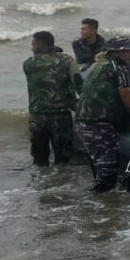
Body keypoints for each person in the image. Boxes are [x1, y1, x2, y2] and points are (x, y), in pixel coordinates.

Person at [75, 36, 130, 192]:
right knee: (107, 174)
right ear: (115, 52)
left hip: (85, 123)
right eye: (127, 51)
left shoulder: (102, 65)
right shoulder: (118, 68)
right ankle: (99, 208)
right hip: (98, 126)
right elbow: (129, 102)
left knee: (100, 171)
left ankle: (98, 207)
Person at [22, 30, 82, 166]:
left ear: (40, 44)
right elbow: (78, 84)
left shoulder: (28, 64)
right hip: (61, 117)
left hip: (37, 118)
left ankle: (42, 184)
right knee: (63, 159)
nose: (32, 48)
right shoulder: (67, 60)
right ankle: (61, 183)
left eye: (33, 44)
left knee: (39, 160)